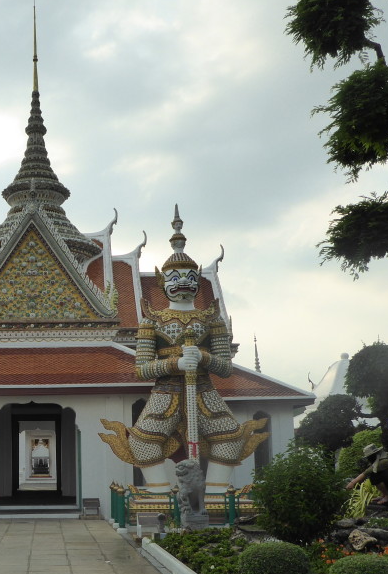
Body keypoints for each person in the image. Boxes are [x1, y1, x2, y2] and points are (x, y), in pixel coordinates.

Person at [99, 207, 268, 496]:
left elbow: (226, 368)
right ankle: (161, 495)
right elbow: (141, 369)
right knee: (141, 443)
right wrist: (175, 363)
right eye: (175, 277)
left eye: (190, 276)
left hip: (203, 389)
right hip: (166, 393)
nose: (183, 283)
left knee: (229, 439)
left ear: (198, 278)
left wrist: (203, 358)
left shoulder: (210, 319)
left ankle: (214, 496)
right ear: (162, 282)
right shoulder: (152, 321)